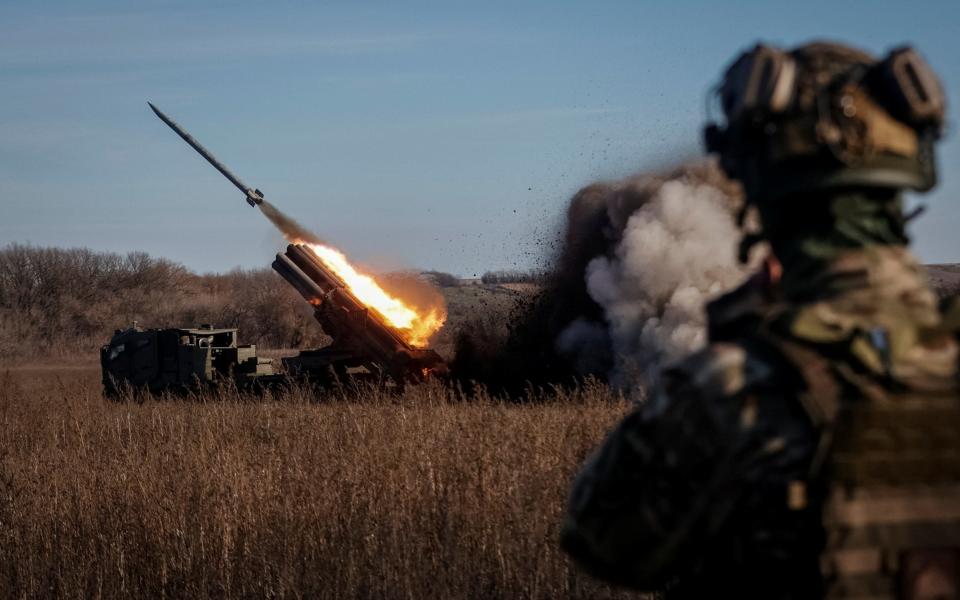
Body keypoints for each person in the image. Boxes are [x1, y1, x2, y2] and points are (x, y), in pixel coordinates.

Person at [561, 41, 959, 599]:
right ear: (908, 171)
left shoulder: (735, 383)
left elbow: (599, 539)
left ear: (762, 184)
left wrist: (739, 331)